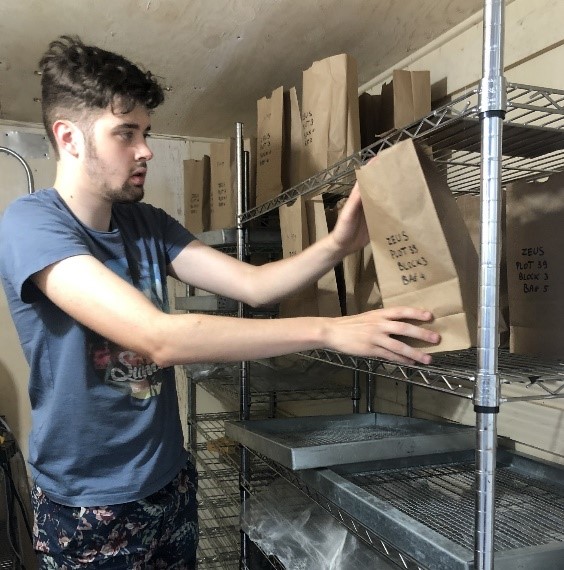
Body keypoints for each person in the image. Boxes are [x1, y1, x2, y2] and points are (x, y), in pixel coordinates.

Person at [0, 35, 439, 569]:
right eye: (126, 134)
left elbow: (253, 285)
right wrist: (327, 329)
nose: (145, 150)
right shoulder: (31, 225)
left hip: (168, 478)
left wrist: (337, 245)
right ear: (69, 138)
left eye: (147, 132)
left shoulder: (146, 223)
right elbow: (159, 337)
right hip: (90, 502)